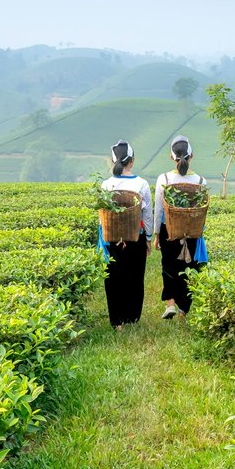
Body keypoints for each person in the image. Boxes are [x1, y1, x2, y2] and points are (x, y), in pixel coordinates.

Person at [99, 140, 153, 329]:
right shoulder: (141, 184)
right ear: (132, 161)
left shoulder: (106, 185)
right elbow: (147, 214)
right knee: (135, 277)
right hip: (135, 238)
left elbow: (102, 216)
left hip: (112, 238)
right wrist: (148, 238)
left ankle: (117, 321)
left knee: (114, 279)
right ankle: (131, 317)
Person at [154, 134, 208, 319]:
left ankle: (170, 304)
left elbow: (158, 210)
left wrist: (154, 235)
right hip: (191, 233)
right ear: (191, 156)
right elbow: (202, 212)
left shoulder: (164, 179)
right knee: (188, 269)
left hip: (168, 230)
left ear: (172, 157)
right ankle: (184, 311)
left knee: (168, 266)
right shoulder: (201, 181)